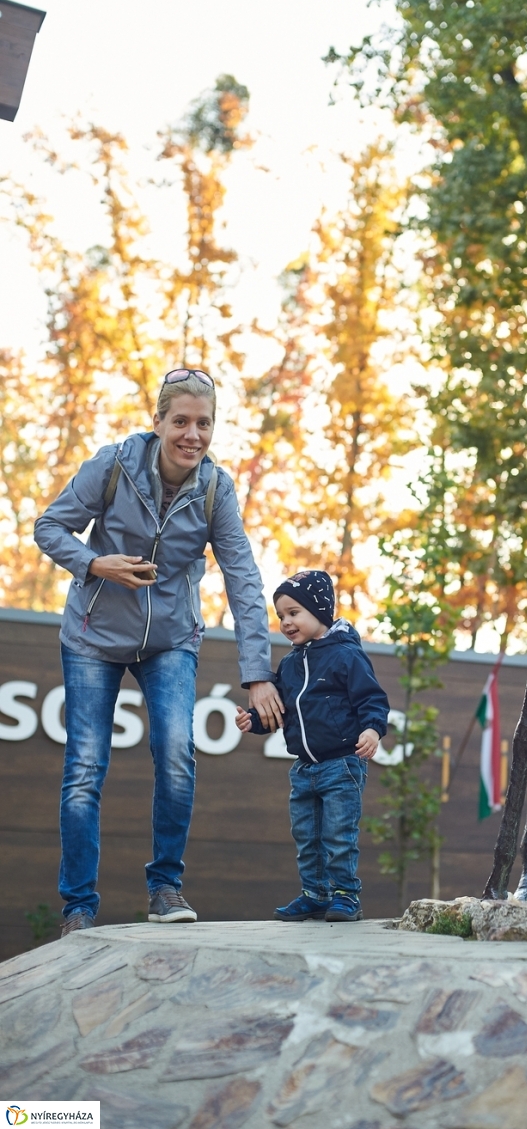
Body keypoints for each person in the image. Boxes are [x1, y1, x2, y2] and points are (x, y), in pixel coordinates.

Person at [34, 369, 284, 935]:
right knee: (85, 767)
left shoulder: (215, 489)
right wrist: (94, 563)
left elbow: (243, 578)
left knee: (175, 751)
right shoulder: (114, 466)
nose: (192, 435)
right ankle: (78, 908)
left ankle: (165, 887)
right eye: (181, 422)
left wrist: (257, 674)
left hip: (170, 640)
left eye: (203, 424)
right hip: (93, 636)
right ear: (158, 422)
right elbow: (49, 527)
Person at [236, 569, 389, 923]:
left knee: (338, 835)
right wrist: (254, 721)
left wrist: (372, 730)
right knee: (307, 836)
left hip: (342, 765)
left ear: (319, 611)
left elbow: (372, 699)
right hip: (304, 769)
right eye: (281, 616)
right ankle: (315, 894)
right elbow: (280, 711)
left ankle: (346, 895)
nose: (286, 622)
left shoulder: (346, 655)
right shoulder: (290, 664)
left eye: (294, 612)